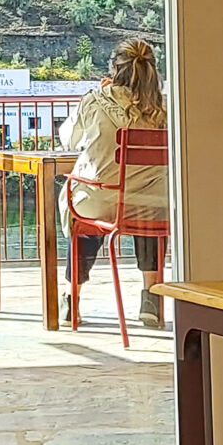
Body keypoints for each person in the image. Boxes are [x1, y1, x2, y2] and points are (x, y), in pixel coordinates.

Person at [63, 39, 170, 327]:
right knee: (151, 207)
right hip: (150, 205)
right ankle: (151, 297)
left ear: (115, 68)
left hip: (102, 202)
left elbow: (69, 139)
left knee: (87, 213)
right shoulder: (163, 109)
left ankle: (72, 298)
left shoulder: (95, 100)